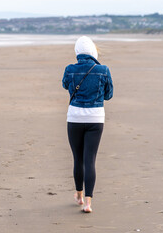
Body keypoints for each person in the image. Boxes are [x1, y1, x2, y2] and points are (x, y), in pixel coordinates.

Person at [62, 36, 113, 213]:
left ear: (77, 52)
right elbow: (109, 95)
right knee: (90, 159)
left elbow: (65, 86)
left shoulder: (70, 69)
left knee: (78, 158)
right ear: (93, 51)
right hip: (95, 118)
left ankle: (79, 195)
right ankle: (89, 203)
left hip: (75, 117)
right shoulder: (103, 69)